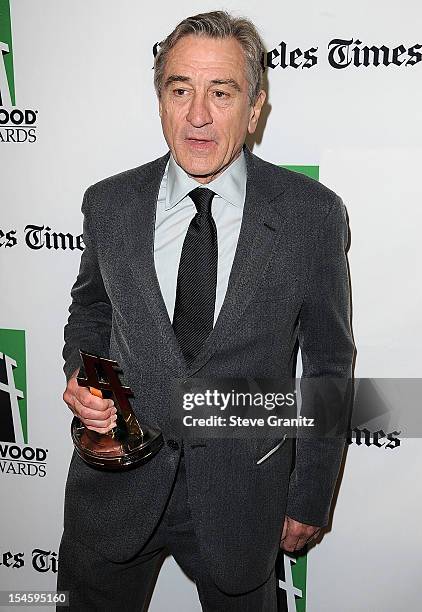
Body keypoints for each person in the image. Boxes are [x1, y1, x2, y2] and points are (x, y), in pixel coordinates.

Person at [57, 10, 355, 612]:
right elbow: (91, 309)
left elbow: (328, 363)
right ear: (160, 99)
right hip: (114, 485)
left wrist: (310, 494)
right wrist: (85, 373)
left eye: (221, 92)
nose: (198, 114)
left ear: (255, 107)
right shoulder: (109, 204)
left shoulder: (310, 215)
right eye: (180, 89)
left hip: (246, 495)